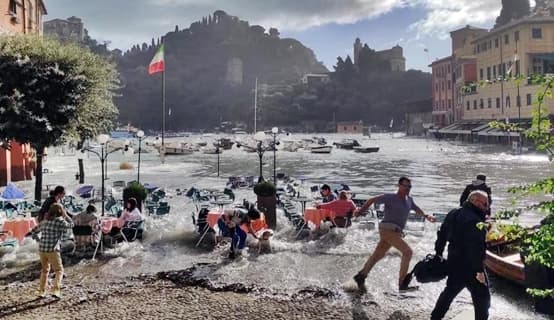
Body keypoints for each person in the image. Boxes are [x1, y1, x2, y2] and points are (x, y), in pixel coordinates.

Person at [352, 176, 435, 292]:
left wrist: (426, 216)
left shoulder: (409, 200)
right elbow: (372, 200)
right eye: (405, 186)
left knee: (377, 255)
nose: (407, 188)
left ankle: (361, 276)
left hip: (395, 232)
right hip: (387, 229)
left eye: (409, 186)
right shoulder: (391, 197)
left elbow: (416, 209)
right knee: (408, 252)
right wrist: (361, 211)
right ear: (399, 185)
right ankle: (402, 284)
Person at [431, 190, 490, 320]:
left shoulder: (453, 213)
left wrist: (439, 254)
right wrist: (479, 271)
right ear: (474, 201)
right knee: (482, 298)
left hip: (454, 260)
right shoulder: (475, 221)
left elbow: (441, 235)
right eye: (485, 204)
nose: (487, 207)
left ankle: (435, 317)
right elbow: (476, 247)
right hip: (471, 266)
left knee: (449, 292)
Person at [36, 203, 74, 299]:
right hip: (52, 249)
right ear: (61, 212)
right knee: (59, 270)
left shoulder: (45, 221)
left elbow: (34, 231)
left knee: (45, 271)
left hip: (42, 249)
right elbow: (71, 225)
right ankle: (55, 291)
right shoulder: (59, 221)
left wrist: (38, 240)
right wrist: (66, 216)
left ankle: (42, 292)